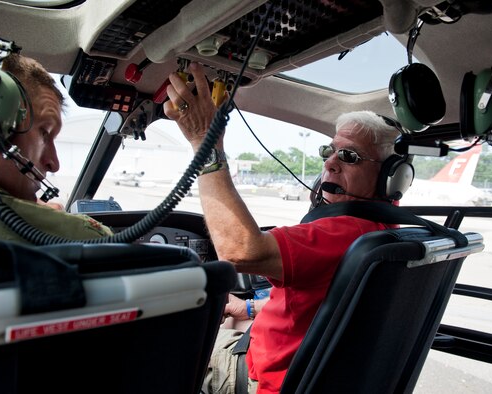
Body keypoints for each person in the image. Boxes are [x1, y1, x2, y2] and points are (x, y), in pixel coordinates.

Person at [164, 62, 402, 394]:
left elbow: (239, 251)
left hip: (261, 380)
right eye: (329, 151)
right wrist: (246, 307)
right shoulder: (390, 232)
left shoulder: (344, 234)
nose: (330, 162)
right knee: (231, 317)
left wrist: (206, 143)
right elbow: (322, 306)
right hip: (312, 369)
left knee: (166, 343)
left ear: (392, 176)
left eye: (349, 156)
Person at [0, 38, 113, 241]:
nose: (54, 163)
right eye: (44, 132)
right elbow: (102, 242)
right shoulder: (67, 235)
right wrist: (45, 219)